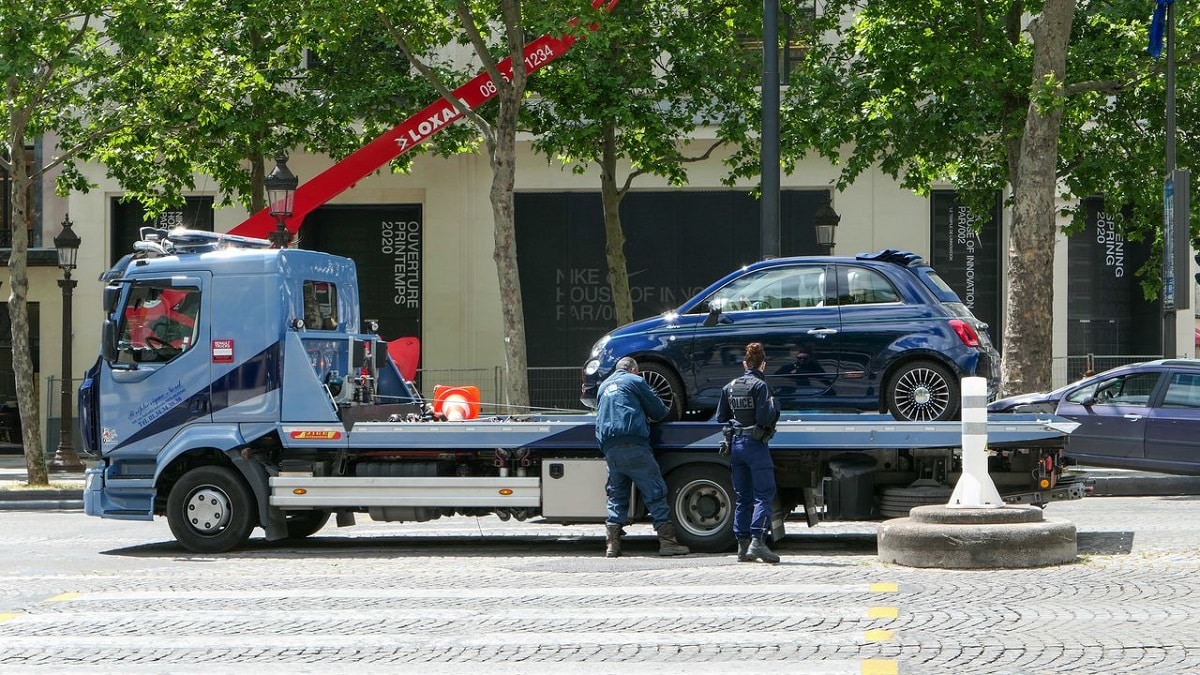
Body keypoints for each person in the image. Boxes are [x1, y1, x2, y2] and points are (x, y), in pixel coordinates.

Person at [594, 357, 690, 558]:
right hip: (634, 446)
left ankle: (612, 546)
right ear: (634, 370)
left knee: (617, 495)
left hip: (610, 450)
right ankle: (668, 543)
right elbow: (658, 410)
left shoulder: (603, 386)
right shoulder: (635, 381)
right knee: (654, 491)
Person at [716, 342, 781, 563]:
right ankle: (758, 542)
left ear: (745, 363)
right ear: (763, 365)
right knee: (764, 494)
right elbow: (765, 417)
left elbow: (721, 417)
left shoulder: (730, 386)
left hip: (735, 444)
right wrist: (775, 408)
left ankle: (742, 547)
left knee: (743, 497)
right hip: (755, 445)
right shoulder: (761, 386)